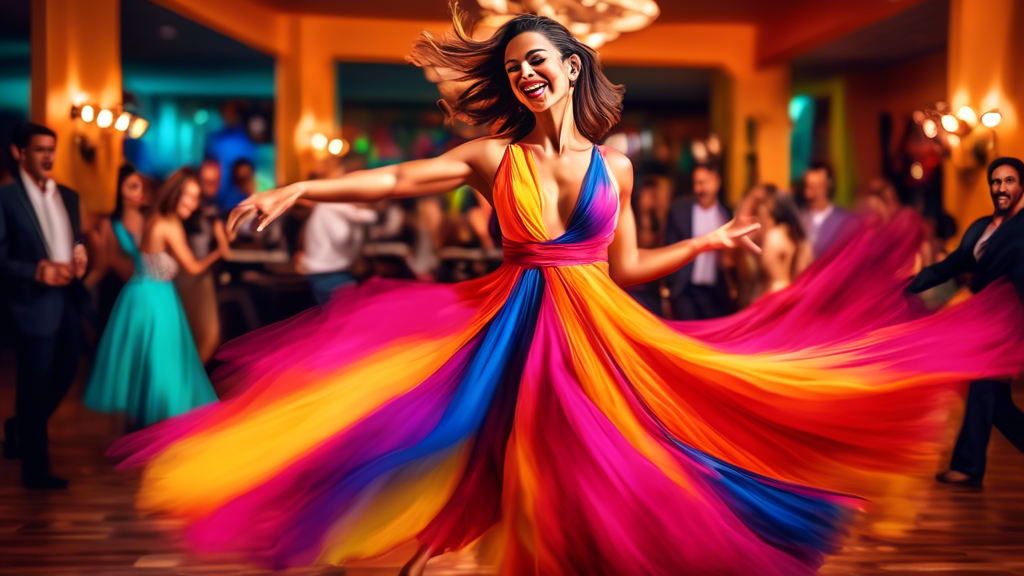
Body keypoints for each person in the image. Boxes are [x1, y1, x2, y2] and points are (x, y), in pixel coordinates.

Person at [110, 12, 1024, 576]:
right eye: (515, 68)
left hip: (598, 336)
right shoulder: (491, 157)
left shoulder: (613, 165)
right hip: (507, 328)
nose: (527, 74)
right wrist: (301, 187)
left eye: (540, 60)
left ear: (573, 66)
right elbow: (396, 184)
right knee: (467, 462)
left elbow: (624, 270)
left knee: (601, 475)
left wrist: (706, 241)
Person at [907, 156, 1024, 486]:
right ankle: (968, 464)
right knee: (998, 404)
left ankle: (968, 467)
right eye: (996, 182)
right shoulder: (980, 229)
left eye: (1009, 181)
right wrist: (909, 285)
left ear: (1021, 186)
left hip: (1010, 320)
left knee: (983, 385)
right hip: (985, 320)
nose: (1001, 188)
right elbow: (952, 265)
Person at [83, 168, 230, 428]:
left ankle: (149, 430)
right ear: (175, 194)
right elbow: (193, 267)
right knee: (162, 366)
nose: (192, 204)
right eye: (187, 197)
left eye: (196, 198)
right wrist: (222, 248)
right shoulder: (168, 224)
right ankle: (158, 431)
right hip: (153, 299)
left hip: (149, 295)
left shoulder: (158, 218)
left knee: (154, 364)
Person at [0, 123, 88, 490]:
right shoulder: (5, 199)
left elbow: (74, 239)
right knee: (33, 384)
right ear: (19, 153)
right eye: (40, 150)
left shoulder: (68, 195)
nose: (49, 156)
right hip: (30, 302)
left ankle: (21, 427)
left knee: (68, 368)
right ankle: (36, 474)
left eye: (52, 149)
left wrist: (80, 254)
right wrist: (37, 271)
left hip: (68, 296)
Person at [83, 163, 147, 334]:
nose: (140, 192)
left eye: (141, 185)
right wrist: (80, 291)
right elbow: (102, 266)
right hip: (120, 294)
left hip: (147, 294)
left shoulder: (150, 221)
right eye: (133, 187)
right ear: (119, 190)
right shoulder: (110, 224)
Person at [665, 163, 734, 320]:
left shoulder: (727, 215)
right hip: (685, 290)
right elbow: (669, 247)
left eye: (704, 183)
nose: (699, 189)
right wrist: (671, 284)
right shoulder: (679, 210)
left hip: (716, 293)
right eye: (696, 183)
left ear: (717, 182)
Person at [176, 159, 224, 363]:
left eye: (215, 181)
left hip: (202, 276)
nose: (210, 186)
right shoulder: (186, 212)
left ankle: (193, 384)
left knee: (206, 337)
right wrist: (221, 248)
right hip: (187, 276)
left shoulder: (210, 210)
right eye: (206, 180)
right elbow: (192, 261)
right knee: (199, 336)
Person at [756, 188, 813, 296]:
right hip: (796, 296)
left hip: (775, 295)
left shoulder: (774, 235)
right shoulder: (802, 239)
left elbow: (765, 262)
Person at [799, 161, 854, 259]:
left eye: (816, 187)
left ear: (828, 184)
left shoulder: (845, 220)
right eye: (808, 186)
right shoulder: (799, 217)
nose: (809, 193)